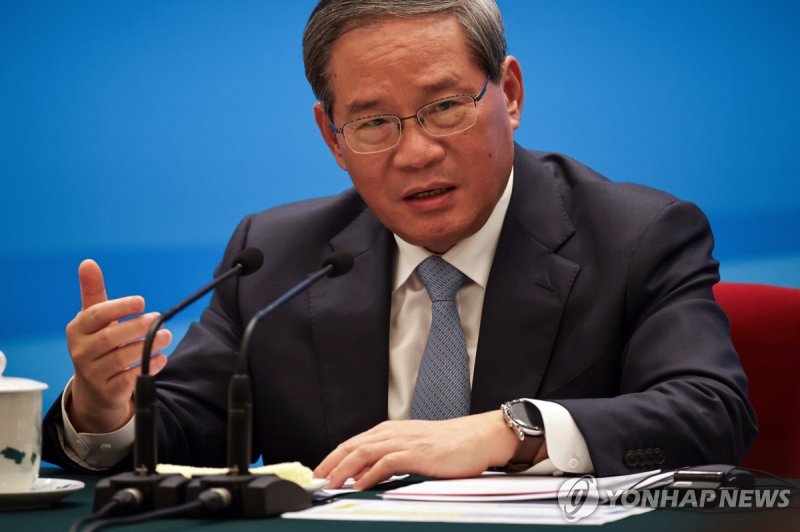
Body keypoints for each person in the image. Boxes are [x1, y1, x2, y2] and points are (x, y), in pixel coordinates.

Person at [43, 0, 756, 489]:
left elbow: (711, 412)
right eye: (374, 124)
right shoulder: (276, 256)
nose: (415, 153)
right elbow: (189, 437)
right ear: (332, 137)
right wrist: (105, 411)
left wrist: (511, 431)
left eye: (444, 108)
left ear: (508, 93)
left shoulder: (635, 235)